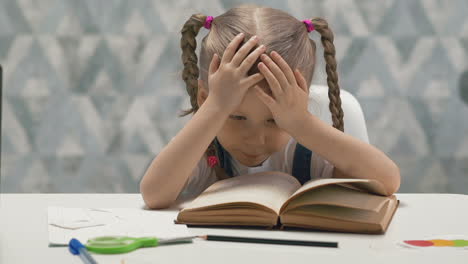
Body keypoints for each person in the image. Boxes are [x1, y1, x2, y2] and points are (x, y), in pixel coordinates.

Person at [140, 4, 401, 209]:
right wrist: (215, 109)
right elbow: (154, 195)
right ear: (204, 99)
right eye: (237, 117)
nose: (255, 139)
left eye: (274, 120)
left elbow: (388, 181)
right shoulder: (203, 140)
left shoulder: (315, 138)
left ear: (303, 101)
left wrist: (301, 123)